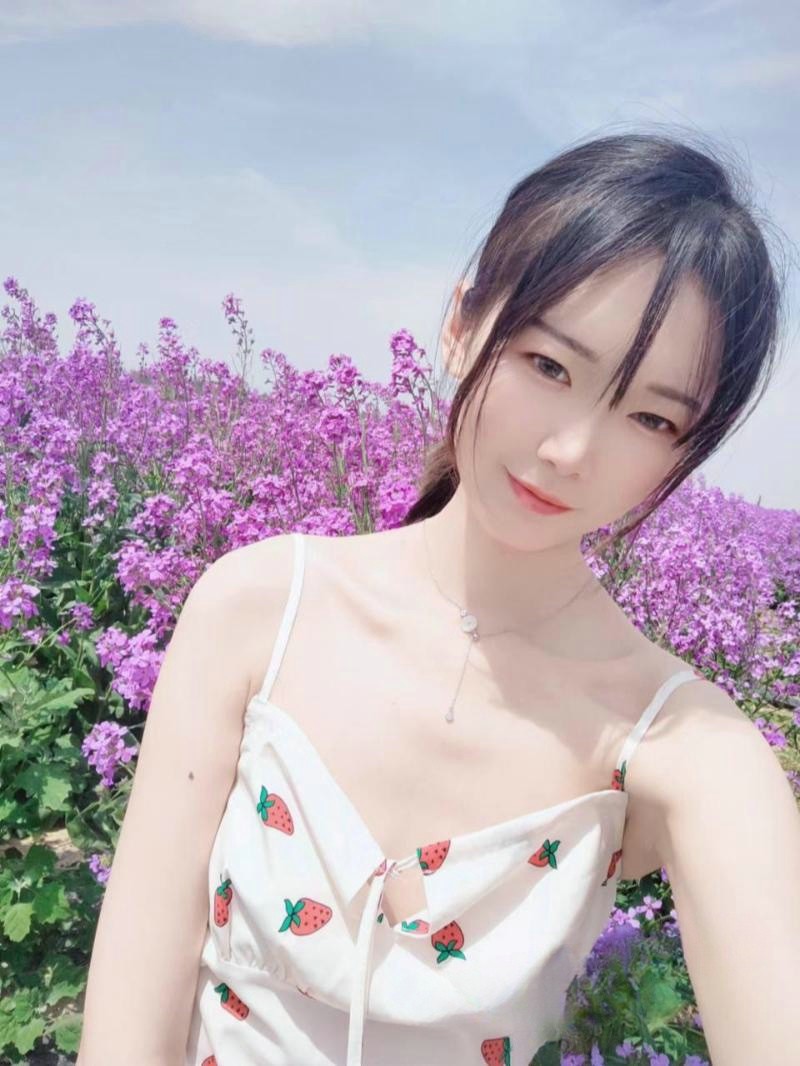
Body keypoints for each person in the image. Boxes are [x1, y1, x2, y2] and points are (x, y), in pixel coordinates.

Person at [77, 131, 800, 1066]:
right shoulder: (258, 609)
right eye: (549, 366)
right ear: (463, 325)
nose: (571, 452)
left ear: (684, 455)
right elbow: (130, 1017)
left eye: (651, 416)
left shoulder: (683, 746)